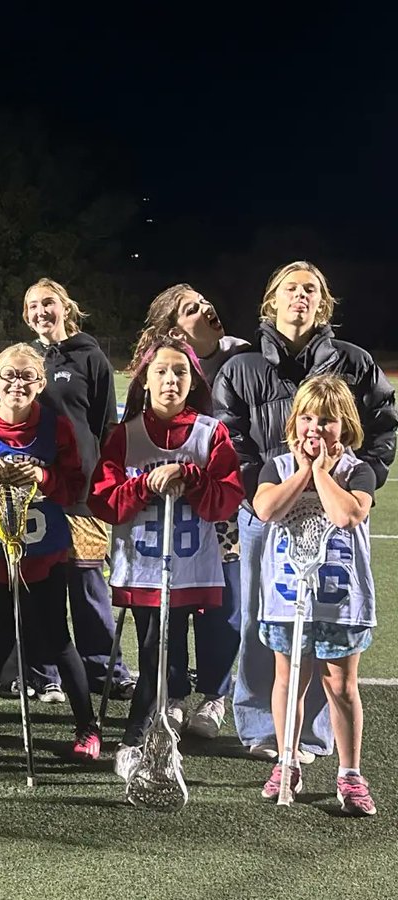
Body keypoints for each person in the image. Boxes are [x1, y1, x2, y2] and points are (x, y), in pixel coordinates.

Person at [212, 261, 396, 761]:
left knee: (324, 622)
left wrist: (366, 482)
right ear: (272, 300)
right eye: (290, 288)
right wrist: (261, 493)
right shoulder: (242, 367)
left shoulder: (354, 363)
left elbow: (384, 426)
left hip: (334, 515)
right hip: (267, 514)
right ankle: (260, 729)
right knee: (261, 619)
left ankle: (310, 735)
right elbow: (231, 440)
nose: (300, 296)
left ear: (323, 303)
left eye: (310, 289)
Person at [88, 337, 243, 777]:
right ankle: (140, 737)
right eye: (161, 371)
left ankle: (153, 731)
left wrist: (189, 477)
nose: (171, 380)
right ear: (145, 379)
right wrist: (145, 485)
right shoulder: (127, 434)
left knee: (196, 643)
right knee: (158, 653)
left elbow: (226, 501)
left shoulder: (211, 433)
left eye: (180, 371)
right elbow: (105, 502)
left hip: (197, 563)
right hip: (146, 565)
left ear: (193, 380)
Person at [0, 343, 100, 761]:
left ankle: (87, 726)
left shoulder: (56, 428)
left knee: (57, 638)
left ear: (41, 383)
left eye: (27, 375)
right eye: (9, 375)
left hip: (44, 549)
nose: (18, 383)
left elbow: (73, 488)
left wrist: (43, 475)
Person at [252, 375, 376, 815]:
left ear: (344, 425)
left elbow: (347, 515)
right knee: (289, 682)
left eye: (326, 420)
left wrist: (321, 472)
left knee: (340, 685)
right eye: (307, 417)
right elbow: (266, 509)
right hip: (288, 596)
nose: (315, 428)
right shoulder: (277, 466)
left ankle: (349, 773)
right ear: (294, 421)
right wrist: (303, 470)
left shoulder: (357, 470)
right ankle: (287, 762)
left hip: (339, 598)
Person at [130, 284, 249, 737]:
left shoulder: (243, 355)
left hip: (220, 500)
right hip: (171, 513)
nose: (206, 308)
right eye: (191, 308)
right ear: (172, 327)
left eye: (204, 301)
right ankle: (175, 691)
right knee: (173, 606)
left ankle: (216, 694)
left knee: (224, 605)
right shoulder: (163, 367)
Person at [21, 278, 133, 701]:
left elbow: (105, 425)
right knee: (39, 581)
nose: (39, 312)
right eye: (31, 306)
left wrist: (105, 480)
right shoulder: (27, 359)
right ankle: (43, 670)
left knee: (87, 584)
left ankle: (105, 668)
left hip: (82, 490)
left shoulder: (92, 357)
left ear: (65, 306)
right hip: (35, 491)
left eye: (47, 302)